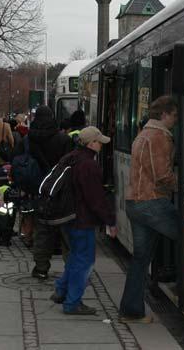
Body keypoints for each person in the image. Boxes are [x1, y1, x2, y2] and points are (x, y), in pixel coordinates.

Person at [119, 95, 179, 324]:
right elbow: (162, 175)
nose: (175, 120)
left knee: (141, 258)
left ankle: (131, 310)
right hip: (152, 202)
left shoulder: (142, 135)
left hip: (135, 202)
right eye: (173, 115)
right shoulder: (160, 136)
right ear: (164, 115)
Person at [51, 126, 117, 315]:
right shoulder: (89, 165)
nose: (101, 146)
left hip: (69, 216)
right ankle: (72, 302)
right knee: (84, 261)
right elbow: (96, 199)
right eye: (99, 142)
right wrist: (110, 221)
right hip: (83, 219)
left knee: (75, 256)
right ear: (91, 143)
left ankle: (61, 290)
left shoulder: (71, 157)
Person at [28, 106, 73, 279]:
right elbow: (70, 165)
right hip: (60, 189)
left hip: (38, 189)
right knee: (65, 231)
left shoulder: (29, 138)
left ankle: (40, 267)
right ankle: (70, 268)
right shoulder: (63, 139)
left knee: (42, 232)